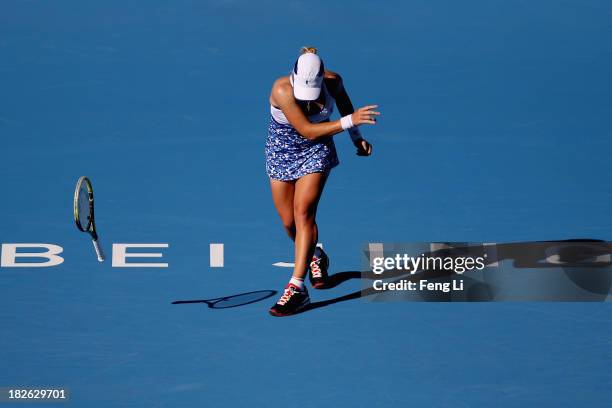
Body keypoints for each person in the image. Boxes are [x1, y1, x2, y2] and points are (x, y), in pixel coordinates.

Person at [266, 47, 380, 316]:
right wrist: (348, 121)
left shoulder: (334, 81)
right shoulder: (281, 89)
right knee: (288, 222)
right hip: (282, 152)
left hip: (317, 152)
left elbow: (343, 105)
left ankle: (297, 289)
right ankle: (315, 256)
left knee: (303, 213)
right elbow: (306, 129)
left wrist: (356, 137)